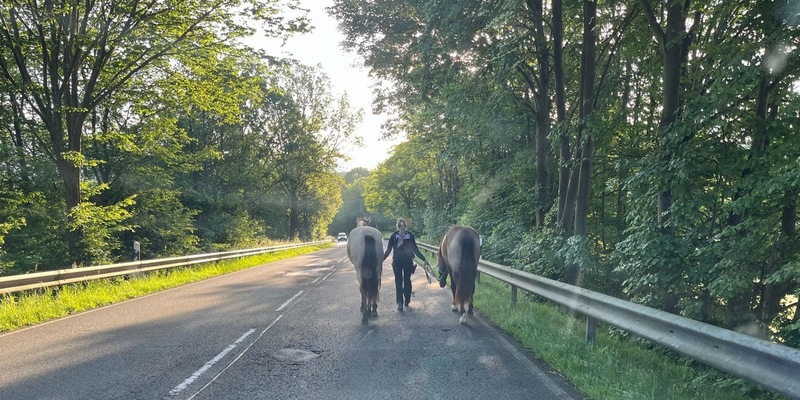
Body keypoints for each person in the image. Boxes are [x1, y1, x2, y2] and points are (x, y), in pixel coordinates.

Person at [383, 218, 429, 311]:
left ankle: (399, 302)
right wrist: (424, 259)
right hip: (408, 261)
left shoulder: (393, 236)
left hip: (397, 261)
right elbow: (416, 250)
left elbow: (388, 251)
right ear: (405, 225)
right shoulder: (410, 236)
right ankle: (407, 300)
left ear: (397, 225)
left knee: (398, 281)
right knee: (407, 280)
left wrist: (381, 260)